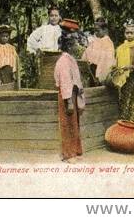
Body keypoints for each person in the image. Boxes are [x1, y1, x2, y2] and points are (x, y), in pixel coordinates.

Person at [54, 23, 85, 163]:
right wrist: (69, 101)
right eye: (74, 44)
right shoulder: (63, 61)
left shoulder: (70, 59)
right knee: (67, 125)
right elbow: (66, 82)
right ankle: (68, 154)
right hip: (67, 96)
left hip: (72, 93)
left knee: (74, 124)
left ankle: (75, 150)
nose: (76, 46)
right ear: (68, 46)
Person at [113, 19, 134, 133]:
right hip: (121, 81)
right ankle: (124, 133)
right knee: (123, 105)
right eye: (127, 32)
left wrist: (132, 67)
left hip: (133, 81)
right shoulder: (120, 48)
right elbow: (116, 63)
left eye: (131, 33)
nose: (129, 35)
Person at [81, 17, 116, 83]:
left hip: (102, 69)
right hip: (92, 69)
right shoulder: (94, 40)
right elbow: (87, 52)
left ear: (105, 30)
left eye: (98, 30)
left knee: (100, 86)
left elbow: (107, 58)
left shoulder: (108, 42)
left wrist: (99, 71)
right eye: (95, 31)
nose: (96, 33)